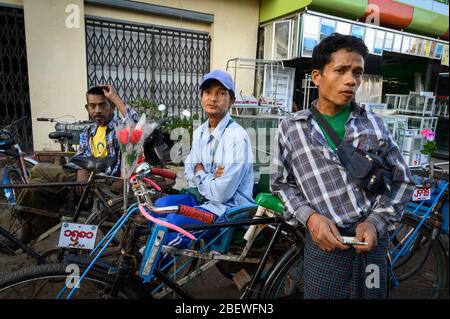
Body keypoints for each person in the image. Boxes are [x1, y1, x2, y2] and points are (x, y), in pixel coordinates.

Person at [270, 33, 415, 299]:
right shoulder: (292, 128)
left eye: (357, 72)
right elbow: (281, 184)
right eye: (340, 70)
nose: (351, 80)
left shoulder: (374, 125)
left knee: (372, 295)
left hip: (371, 244)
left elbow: (403, 180)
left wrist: (376, 222)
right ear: (317, 76)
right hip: (324, 245)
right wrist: (310, 218)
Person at [15, 85, 139, 241]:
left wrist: (114, 97)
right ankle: (29, 229)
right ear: (87, 108)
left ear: (112, 106)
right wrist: (82, 169)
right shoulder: (88, 131)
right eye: (92, 106)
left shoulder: (120, 128)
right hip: (82, 178)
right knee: (34, 188)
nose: (97, 110)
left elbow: (136, 123)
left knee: (39, 169)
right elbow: (81, 155)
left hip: (104, 181)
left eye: (102, 105)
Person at [153, 69, 254, 249]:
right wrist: (210, 177)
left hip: (227, 210)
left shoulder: (237, 137)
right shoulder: (200, 132)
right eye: (207, 92)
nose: (213, 98)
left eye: (221, 93)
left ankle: (154, 273)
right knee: (159, 207)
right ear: (201, 97)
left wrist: (201, 172)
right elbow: (189, 170)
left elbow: (222, 193)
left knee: (173, 222)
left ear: (232, 100)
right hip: (203, 199)